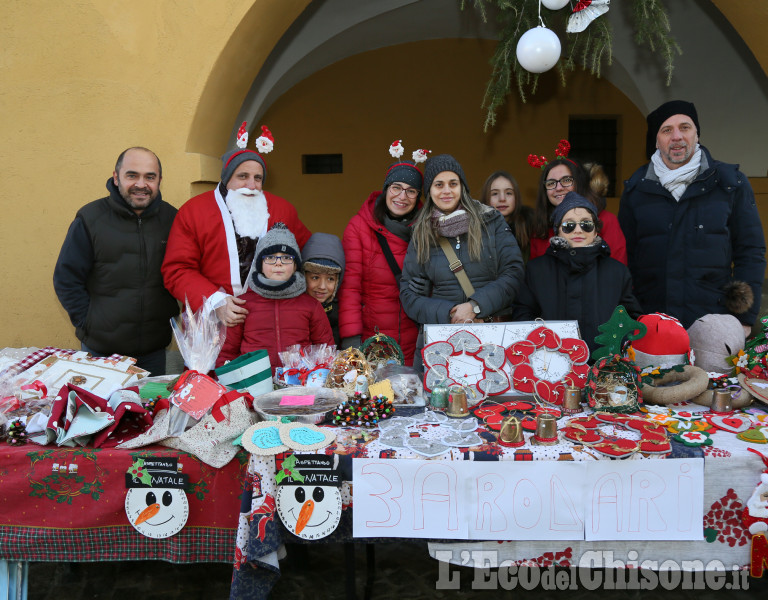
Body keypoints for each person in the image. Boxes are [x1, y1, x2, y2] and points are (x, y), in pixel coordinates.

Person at [618, 100, 766, 332]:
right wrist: (632, 316)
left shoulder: (730, 183)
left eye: (685, 127)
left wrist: (744, 318)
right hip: (652, 324)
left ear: (697, 135)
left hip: (715, 323)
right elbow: (626, 260)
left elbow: (750, 252)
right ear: (656, 141)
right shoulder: (636, 190)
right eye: (667, 130)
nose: (677, 136)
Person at [162, 134, 311, 328]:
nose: (251, 185)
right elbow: (177, 269)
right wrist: (215, 301)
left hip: (268, 323)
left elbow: (308, 252)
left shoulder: (283, 210)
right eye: (242, 176)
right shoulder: (193, 211)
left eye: (258, 178)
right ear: (226, 178)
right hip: (211, 325)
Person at [53, 147, 179, 375]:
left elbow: (182, 272)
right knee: (100, 411)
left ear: (160, 180)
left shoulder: (173, 219)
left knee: (150, 409)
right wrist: (88, 323)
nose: (141, 184)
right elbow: (66, 279)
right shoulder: (90, 218)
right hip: (101, 353)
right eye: (132, 175)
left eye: (149, 177)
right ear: (116, 177)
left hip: (153, 353)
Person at [399, 154, 524, 351]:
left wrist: (475, 306)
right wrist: (451, 314)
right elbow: (408, 295)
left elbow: (514, 273)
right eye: (439, 185)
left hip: (492, 337)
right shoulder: (420, 233)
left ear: (462, 186)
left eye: (453, 183)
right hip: (442, 342)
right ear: (430, 191)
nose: (447, 191)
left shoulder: (490, 221)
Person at [513, 192, 642, 355]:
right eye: (569, 225)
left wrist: (614, 352)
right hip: (549, 367)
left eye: (586, 224)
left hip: (605, 370)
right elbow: (523, 318)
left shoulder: (617, 271)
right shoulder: (536, 270)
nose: (578, 230)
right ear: (558, 231)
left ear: (595, 231)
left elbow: (630, 321)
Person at [215, 223, 334, 371]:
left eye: (286, 257)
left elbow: (326, 350)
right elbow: (226, 353)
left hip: (300, 385)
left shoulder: (311, 305)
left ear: (296, 265)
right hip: (254, 386)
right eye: (270, 257)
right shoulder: (243, 304)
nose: (278, 263)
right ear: (260, 264)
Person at [338, 160, 423, 365]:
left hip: (417, 338)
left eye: (411, 191)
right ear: (386, 189)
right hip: (373, 339)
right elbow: (350, 287)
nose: (402, 197)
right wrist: (352, 341)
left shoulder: (427, 227)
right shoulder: (359, 227)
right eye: (396, 188)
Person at [529, 157, 627, 265]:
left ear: (580, 183)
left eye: (566, 180)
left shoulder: (606, 220)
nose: (558, 188)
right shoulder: (540, 227)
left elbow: (617, 271)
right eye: (551, 183)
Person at [479, 170, 534, 263]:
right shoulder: (475, 231)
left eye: (508, 193)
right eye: (495, 193)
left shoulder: (531, 228)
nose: (502, 199)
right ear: (486, 199)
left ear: (516, 197)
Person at [302, 232, 345, 346]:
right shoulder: (295, 309)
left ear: (338, 280)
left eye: (330, 279)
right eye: (315, 277)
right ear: (303, 276)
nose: (322, 286)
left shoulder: (343, 313)